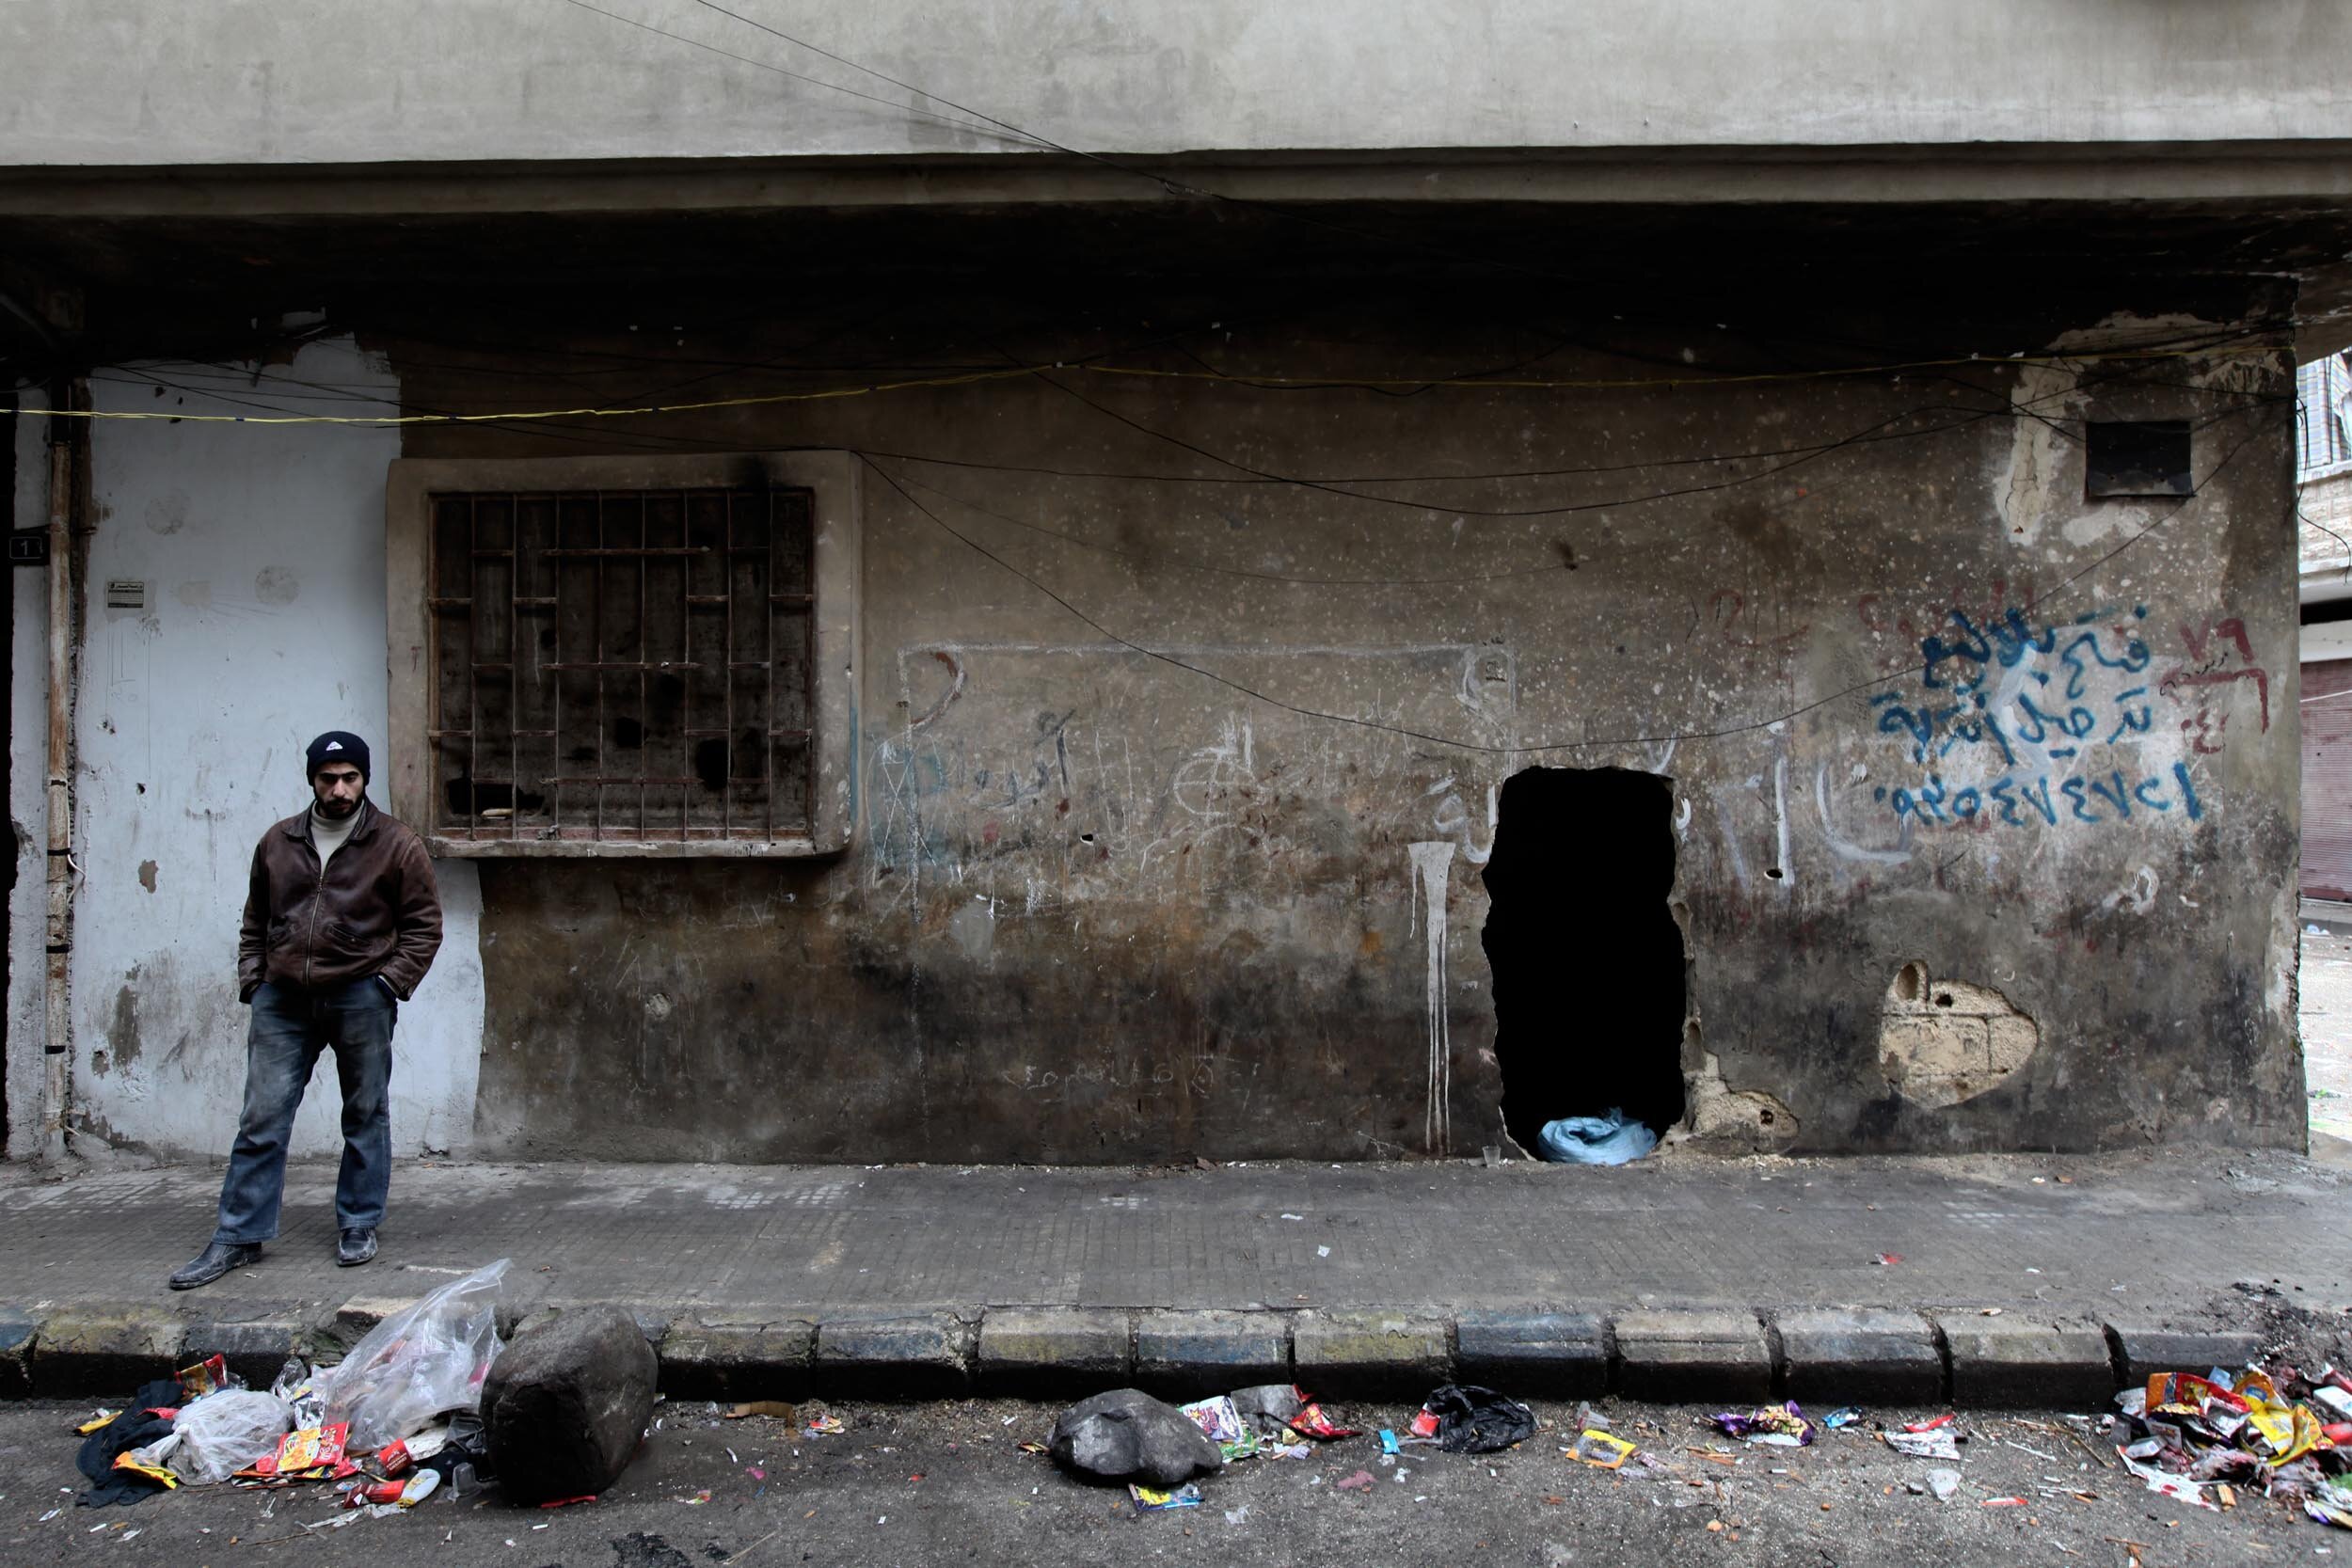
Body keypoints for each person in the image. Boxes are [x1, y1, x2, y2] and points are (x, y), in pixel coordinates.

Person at [168, 731, 443, 1290]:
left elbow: (424, 927)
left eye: (350, 778)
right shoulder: (278, 842)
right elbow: (255, 920)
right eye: (328, 778)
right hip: (283, 998)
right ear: (312, 780)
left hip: (360, 995)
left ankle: (359, 1223)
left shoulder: (397, 844)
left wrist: (386, 986)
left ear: (365, 779)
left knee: (365, 1114)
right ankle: (238, 1236)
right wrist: (256, 983)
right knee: (261, 1118)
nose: (340, 789)